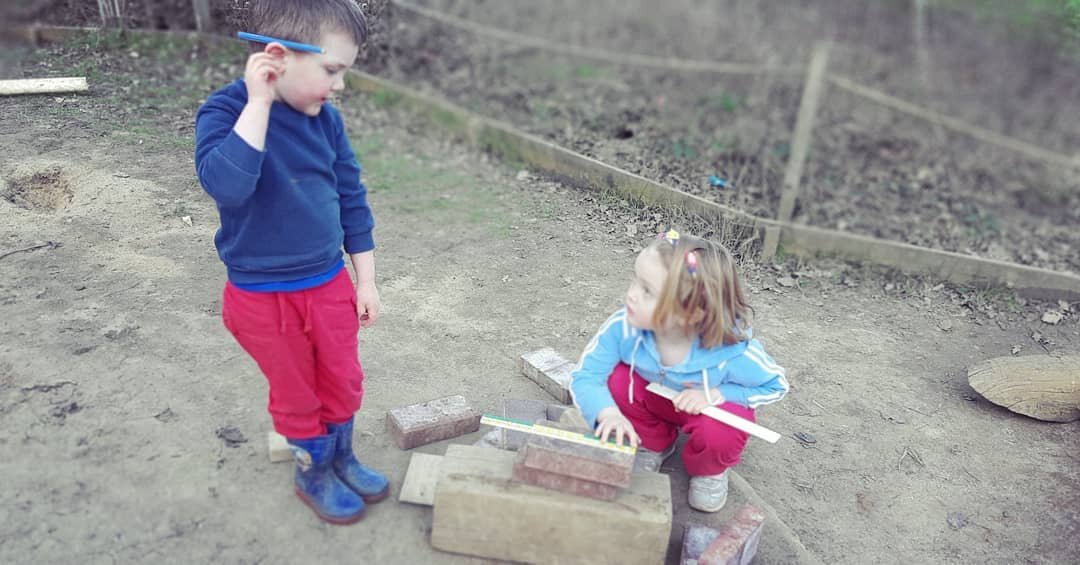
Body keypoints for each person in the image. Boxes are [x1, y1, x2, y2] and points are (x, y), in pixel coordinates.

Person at [194, 0, 386, 525]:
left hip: (328, 285)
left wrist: (365, 280)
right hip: (260, 298)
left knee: (343, 379)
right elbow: (228, 187)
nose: (339, 86)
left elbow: (352, 198)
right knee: (296, 390)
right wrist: (258, 103)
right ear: (276, 57)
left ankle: (342, 454)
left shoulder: (326, 123)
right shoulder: (222, 112)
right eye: (331, 71)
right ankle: (313, 470)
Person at [570, 230, 788, 512]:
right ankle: (653, 443)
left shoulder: (733, 351)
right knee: (617, 380)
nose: (631, 295)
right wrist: (607, 412)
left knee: (725, 427)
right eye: (635, 280)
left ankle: (708, 471)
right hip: (654, 398)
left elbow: (776, 385)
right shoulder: (623, 327)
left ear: (691, 314)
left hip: (704, 408)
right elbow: (586, 375)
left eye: (647, 290)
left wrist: (717, 394)